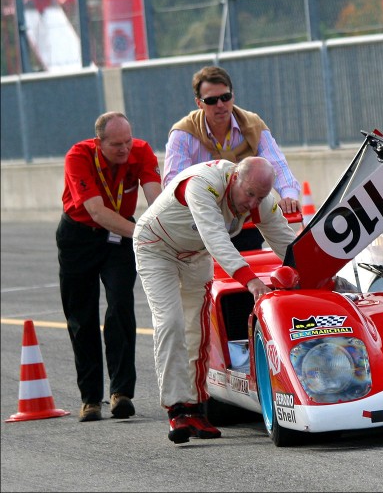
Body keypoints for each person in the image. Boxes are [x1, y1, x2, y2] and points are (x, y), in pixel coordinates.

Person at [132, 156, 297, 444]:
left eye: (260, 197)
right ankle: (176, 408)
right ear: (234, 179)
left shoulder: (261, 200)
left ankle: (195, 407)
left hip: (195, 255)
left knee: (197, 327)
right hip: (156, 247)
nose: (253, 204)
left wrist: (317, 277)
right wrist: (252, 281)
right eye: (249, 194)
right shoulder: (203, 185)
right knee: (171, 323)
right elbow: (215, 237)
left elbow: (287, 244)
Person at [56, 112, 162, 422]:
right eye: (116, 144)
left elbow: (156, 198)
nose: (124, 149)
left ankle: (121, 393)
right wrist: (147, 232)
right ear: (99, 142)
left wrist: (163, 227)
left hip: (121, 238)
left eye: (128, 141)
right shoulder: (78, 156)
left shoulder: (140, 151)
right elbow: (97, 212)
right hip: (80, 235)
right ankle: (90, 398)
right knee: (81, 315)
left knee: (120, 305)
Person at [162, 65, 301, 251]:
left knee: (260, 269)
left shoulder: (253, 124)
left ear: (233, 96)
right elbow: (174, 183)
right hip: (205, 224)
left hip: (246, 218)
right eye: (211, 100)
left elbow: (276, 164)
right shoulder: (183, 133)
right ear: (199, 103)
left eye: (225, 98)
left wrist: (289, 195)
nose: (220, 105)